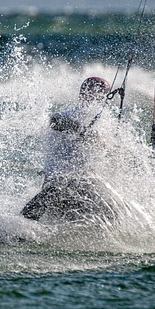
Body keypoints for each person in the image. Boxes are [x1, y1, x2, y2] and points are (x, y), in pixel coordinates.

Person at [21, 76, 117, 223]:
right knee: (61, 184)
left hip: (85, 189)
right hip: (56, 185)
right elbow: (55, 121)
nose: (93, 97)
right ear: (82, 94)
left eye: (99, 94)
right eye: (90, 91)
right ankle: (19, 225)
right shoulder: (66, 115)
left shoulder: (105, 126)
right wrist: (83, 132)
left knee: (113, 207)